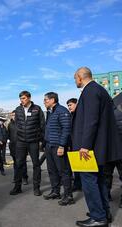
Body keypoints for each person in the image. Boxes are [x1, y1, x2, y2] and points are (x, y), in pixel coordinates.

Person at [72, 67, 122, 227]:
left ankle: (98, 217)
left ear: (80, 77)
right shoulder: (99, 90)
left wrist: (85, 146)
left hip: (90, 148)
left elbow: (91, 120)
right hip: (98, 146)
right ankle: (102, 212)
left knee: (89, 181)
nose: (75, 82)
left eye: (75, 78)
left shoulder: (90, 91)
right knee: (99, 179)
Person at [10, 91, 45, 196]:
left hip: (33, 141)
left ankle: (36, 188)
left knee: (36, 165)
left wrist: (42, 141)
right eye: (20, 98)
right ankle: (17, 187)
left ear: (29, 98)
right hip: (21, 141)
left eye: (24, 98)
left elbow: (42, 125)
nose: (22, 100)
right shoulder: (18, 109)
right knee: (19, 164)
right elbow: (17, 125)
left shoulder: (37, 109)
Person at [43, 92, 73, 206]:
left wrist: (62, 145)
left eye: (45, 100)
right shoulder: (50, 112)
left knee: (64, 171)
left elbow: (66, 129)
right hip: (49, 145)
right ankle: (55, 192)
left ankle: (68, 195)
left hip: (58, 146)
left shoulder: (62, 111)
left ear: (52, 100)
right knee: (52, 170)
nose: (44, 102)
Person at [103, 93, 122, 208]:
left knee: (106, 176)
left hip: (109, 151)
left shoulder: (105, 114)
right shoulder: (115, 112)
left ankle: (106, 196)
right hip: (116, 150)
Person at [7, 111, 29, 185]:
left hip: (22, 146)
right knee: (15, 163)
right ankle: (16, 178)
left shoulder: (22, 123)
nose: (13, 116)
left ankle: (24, 178)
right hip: (13, 146)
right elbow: (8, 135)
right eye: (12, 115)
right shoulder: (9, 124)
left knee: (23, 163)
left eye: (14, 115)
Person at [67, 98, 82, 192]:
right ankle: (77, 184)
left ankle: (83, 185)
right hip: (73, 145)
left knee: (85, 168)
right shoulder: (70, 116)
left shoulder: (81, 115)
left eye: (71, 105)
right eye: (68, 105)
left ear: (77, 104)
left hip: (82, 145)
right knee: (76, 167)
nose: (69, 107)